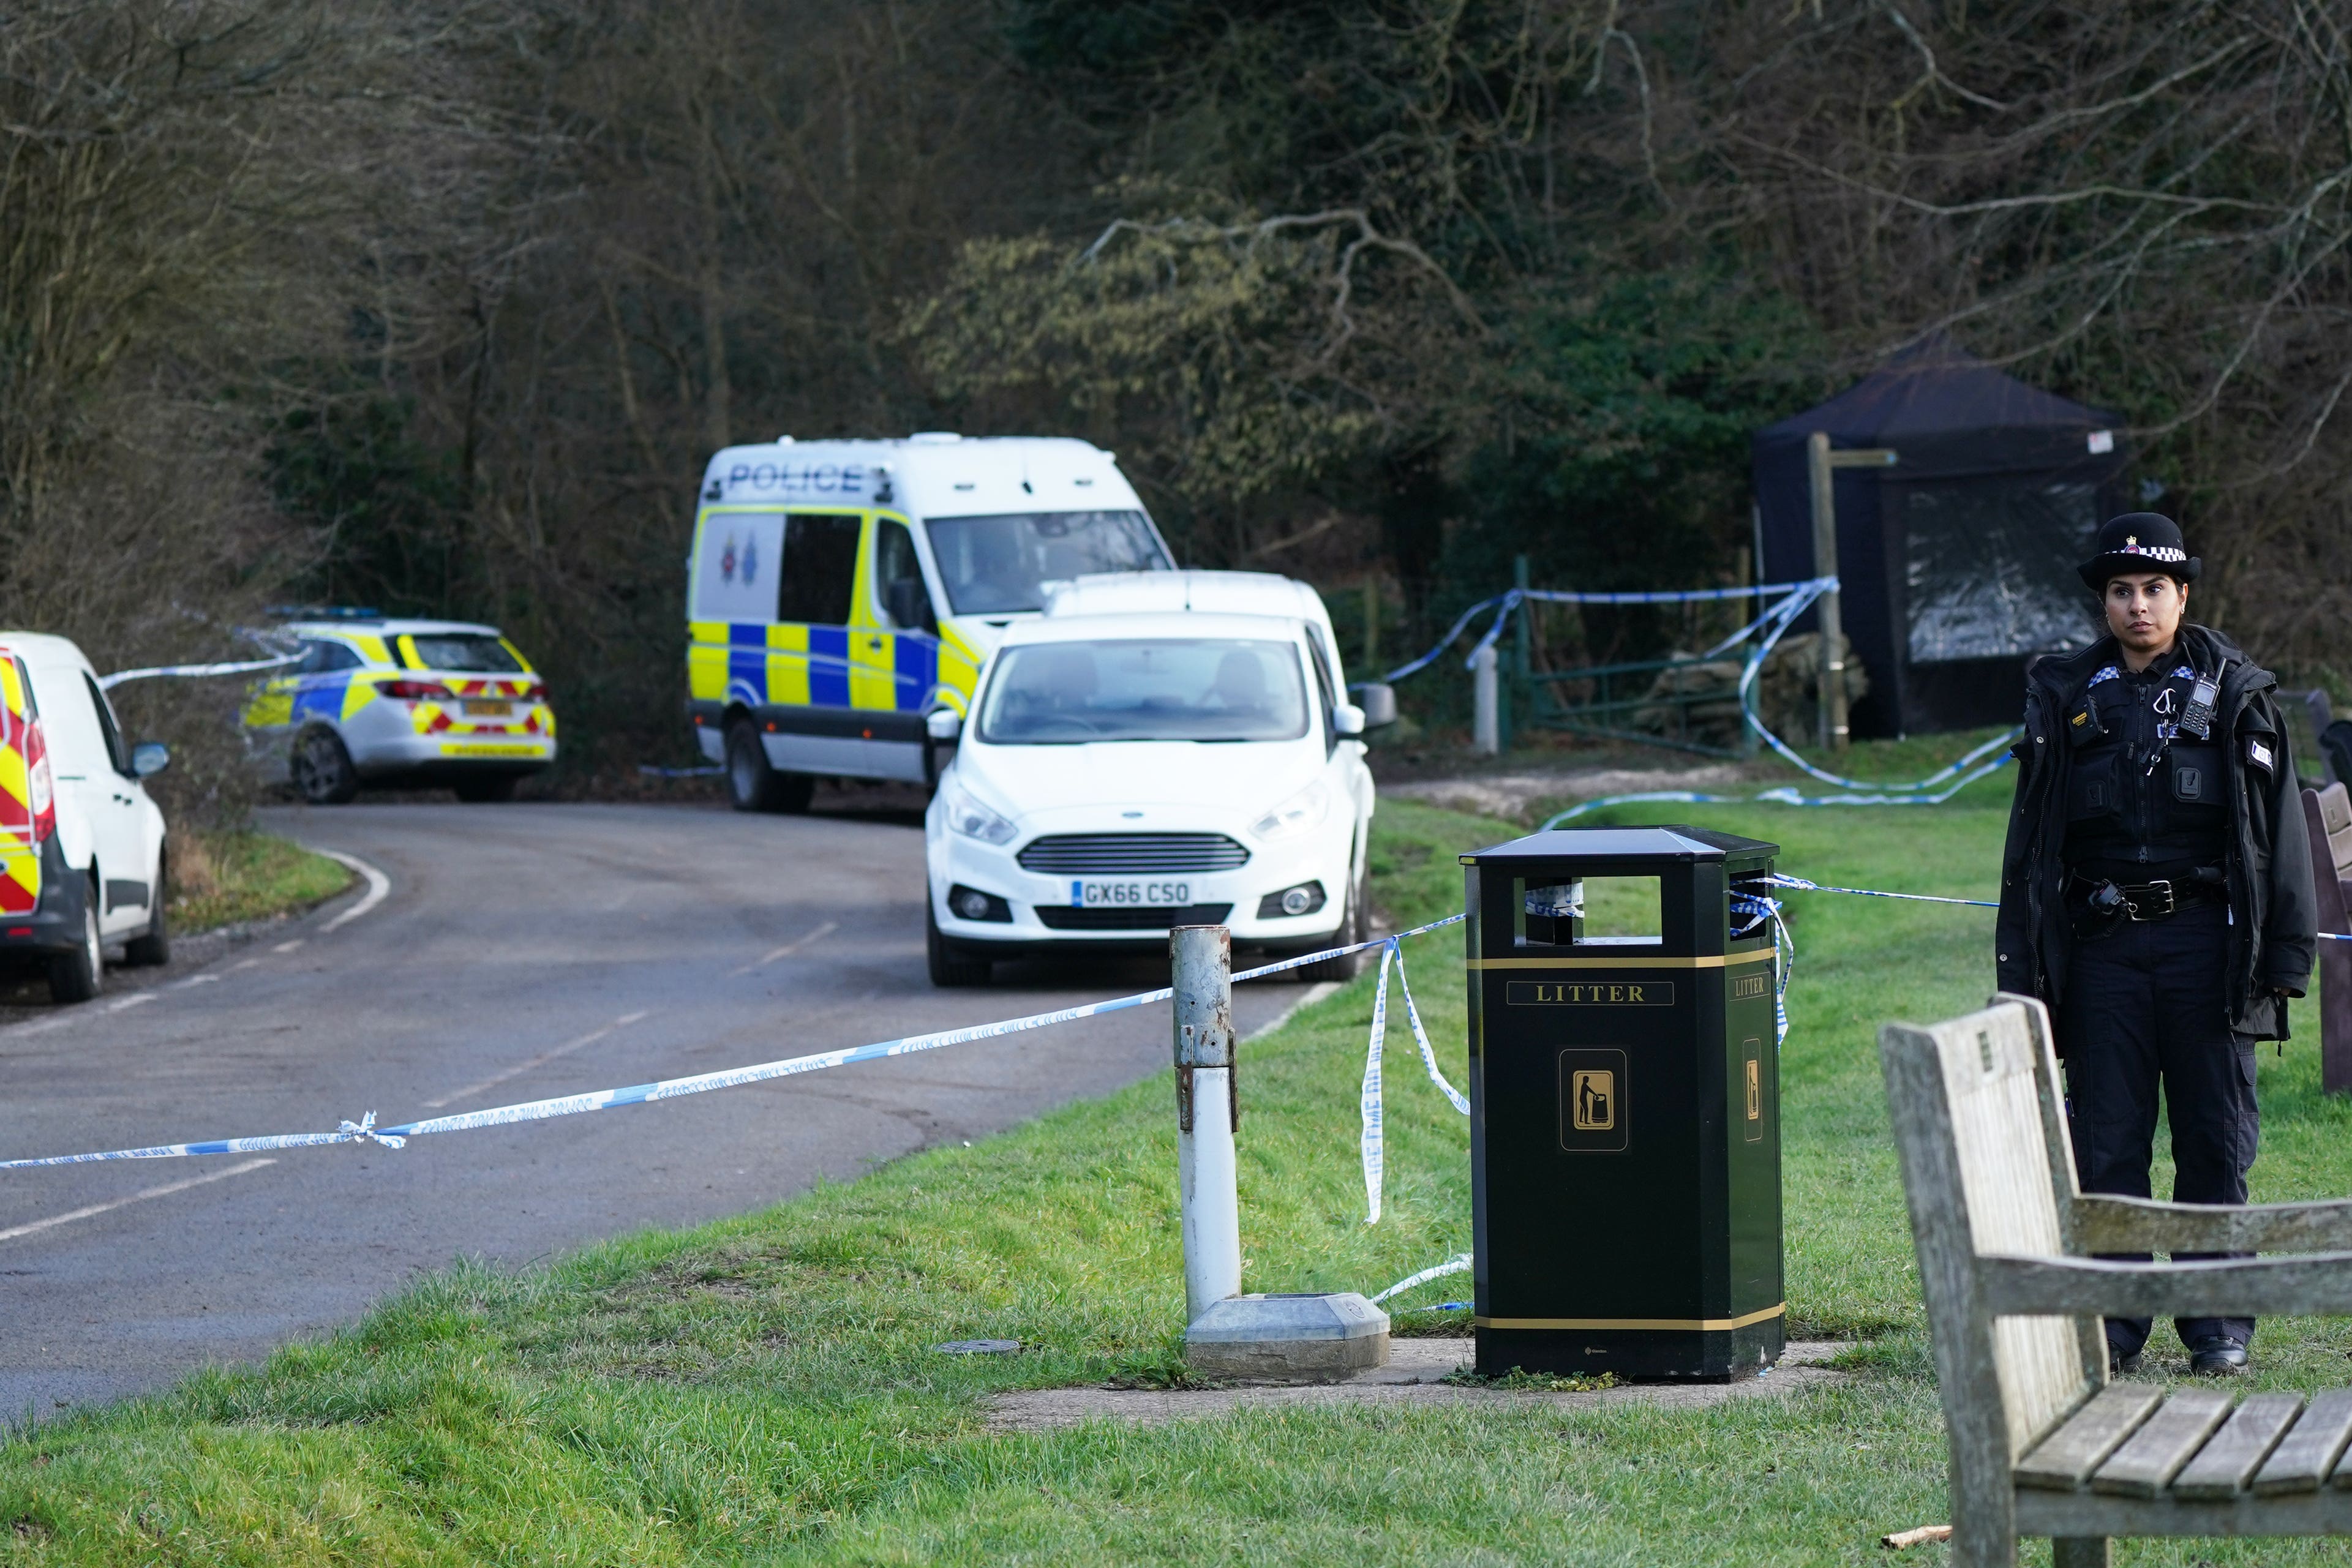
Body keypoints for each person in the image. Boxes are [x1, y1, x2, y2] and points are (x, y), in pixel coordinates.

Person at [1996, 511, 2316, 1377]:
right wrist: (2018, 968)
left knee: (2214, 1137)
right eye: (2120, 591)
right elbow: (2028, 845)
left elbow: (2277, 829)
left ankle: (2215, 1322)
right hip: (2101, 948)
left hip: (2204, 948)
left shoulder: (2236, 692)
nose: (2136, 605)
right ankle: (2118, 1323)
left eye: (2152, 590)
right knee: (2109, 1142)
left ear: (2182, 596)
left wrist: (2283, 956)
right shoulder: (2065, 695)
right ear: (2104, 601)